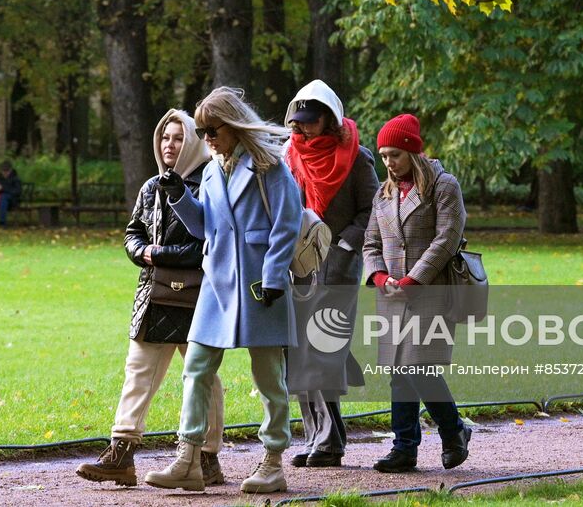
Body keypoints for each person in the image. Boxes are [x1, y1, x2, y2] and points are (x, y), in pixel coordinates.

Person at [143, 87, 303, 495]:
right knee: (195, 368)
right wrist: (179, 194)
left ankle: (272, 461)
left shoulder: (270, 167)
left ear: (232, 124)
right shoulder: (212, 170)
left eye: (211, 129)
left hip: (258, 284)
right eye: (201, 130)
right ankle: (188, 459)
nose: (207, 137)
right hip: (216, 283)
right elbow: (204, 227)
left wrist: (272, 276)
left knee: (269, 377)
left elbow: (287, 225)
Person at [76, 110, 228, 487]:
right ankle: (121, 452)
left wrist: (157, 253)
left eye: (178, 138)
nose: (169, 145)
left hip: (197, 294)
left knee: (203, 375)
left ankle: (207, 457)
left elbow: (207, 244)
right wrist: (140, 250)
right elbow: (133, 231)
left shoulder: (210, 182)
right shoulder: (151, 186)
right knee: (138, 369)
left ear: (192, 141)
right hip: (154, 292)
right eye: (164, 137)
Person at [362, 113, 471, 473]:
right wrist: (379, 277)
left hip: (430, 291)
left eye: (394, 154)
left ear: (412, 151)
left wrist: (412, 279)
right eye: (383, 155)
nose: (388, 162)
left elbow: (446, 239)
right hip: (392, 295)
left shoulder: (444, 185)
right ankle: (404, 447)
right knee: (398, 370)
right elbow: (370, 243)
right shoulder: (384, 192)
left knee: (420, 367)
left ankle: (453, 429)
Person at [282, 80, 378, 468]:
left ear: (330, 119)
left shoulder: (357, 157)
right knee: (297, 351)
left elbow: (373, 209)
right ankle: (319, 438)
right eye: (298, 122)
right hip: (299, 265)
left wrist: (343, 245)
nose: (303, 128)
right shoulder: (288, 155)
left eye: (311, 121)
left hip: (339, 266)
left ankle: (328, 440)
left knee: (323, 348)